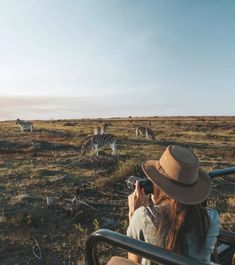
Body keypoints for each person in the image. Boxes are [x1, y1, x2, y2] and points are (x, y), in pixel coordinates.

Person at [127, 145, 220, 265]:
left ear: (159, 185)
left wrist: (133, 214)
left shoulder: (143, 216)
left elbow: (132, 261)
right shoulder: (211, 218)